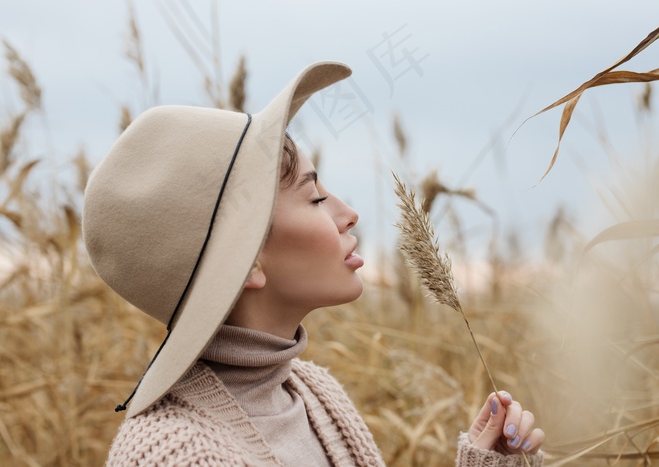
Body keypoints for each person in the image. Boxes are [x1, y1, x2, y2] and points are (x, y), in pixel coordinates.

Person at [82, 61, 544, 466]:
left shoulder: (312, 392)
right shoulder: (176, 454)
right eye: (316, 197)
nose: (348, 214)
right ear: (247, 262)